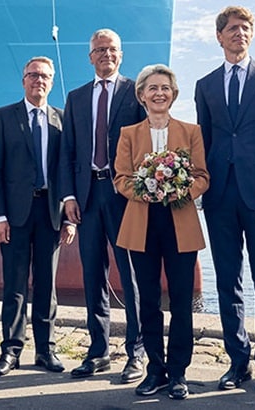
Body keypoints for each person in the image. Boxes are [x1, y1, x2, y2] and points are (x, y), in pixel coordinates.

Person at [193, 5, 255, 393]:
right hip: (219, 196)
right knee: (227, 280)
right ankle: (237, 361)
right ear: (219, 36)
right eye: (233, 28)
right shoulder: (205, 85)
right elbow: (204, 140)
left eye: (246, 28)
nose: (240, 33)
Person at [113, 64, 208, 400]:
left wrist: (179, 189)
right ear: (141, 95)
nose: (159, 93)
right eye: (152, 88)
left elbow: (202, 176)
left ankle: (178, 372)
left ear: (173, 94)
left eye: (165, 88)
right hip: (142, 224)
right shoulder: (128, 133)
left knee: (181, 301)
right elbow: (121, 178)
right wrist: (146, 190)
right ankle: (155, 369)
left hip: (180, 222)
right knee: (148, 300)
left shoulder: (191, 131)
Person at [59, 29, 146, 383]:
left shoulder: (135, 93)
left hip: (124, 194)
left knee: (131, 274)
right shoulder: (76, 97)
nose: (106, 54)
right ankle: (98, 351)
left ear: (120, 55)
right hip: (87, 197)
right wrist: (68, 197)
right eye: (99, 49)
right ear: (90, 57)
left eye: (112, 49)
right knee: (93, 275)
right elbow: (67, 151)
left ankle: (136, 353)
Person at [0, 56, 76, 376]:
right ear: (23, 80)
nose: (39, 80)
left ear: (51, 82)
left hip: (51, 213)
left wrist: (69, 218)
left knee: (46, 285)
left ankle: (45, 349)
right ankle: (11, 350)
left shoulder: (62, 119)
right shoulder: (4, 116)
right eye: (33, 75)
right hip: (14, 215)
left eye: (45, 76)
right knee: (14, 284)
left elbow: (69, 169)